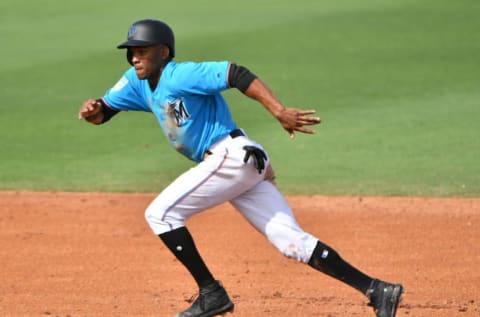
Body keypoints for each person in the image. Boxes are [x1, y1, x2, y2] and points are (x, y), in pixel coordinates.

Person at [78, 19, 403, 317]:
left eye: (142, 51)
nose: (135, 58)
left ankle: (211, 293)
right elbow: (103, 112)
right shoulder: (137, 84)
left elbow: (236, 73)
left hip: (229, 155)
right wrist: (92, 110)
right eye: (131, 52)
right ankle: (378, 290)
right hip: (242, 164)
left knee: (160, 214)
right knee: (291, 242)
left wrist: (278, 111)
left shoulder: (181, 74)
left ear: (163, 52)